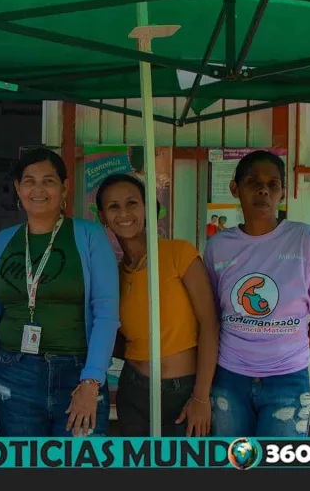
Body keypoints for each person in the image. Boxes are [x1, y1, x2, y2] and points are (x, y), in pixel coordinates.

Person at [0, 148, 120, 437]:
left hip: (78, 372)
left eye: (49, 181)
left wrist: (92, 381)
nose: (38, 189)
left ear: (64, 187)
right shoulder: (4, 241)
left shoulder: (90, 235)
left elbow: (106, 313)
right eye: (29, 181)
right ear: (18, 188)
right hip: (13, 372)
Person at [204, 150, 310, 437]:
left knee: (282, 468)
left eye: (272, 184)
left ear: (282, 193)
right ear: (235, 188)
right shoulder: (218, 246)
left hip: (288, 380)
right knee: (232, 464)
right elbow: (211, 315)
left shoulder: (306, 240)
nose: (263, 189)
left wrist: (288, 350)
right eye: (253, 181)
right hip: (229, 377)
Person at [95, 173, 219, 437]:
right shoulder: (115, 274)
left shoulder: (179, 253)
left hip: (184, 391)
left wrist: (201, 396)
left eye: (132, 203)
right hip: (134, 391)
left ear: (148, 209)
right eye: (113, 206)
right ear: (102, 217)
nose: (124, 213)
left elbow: (209, 323)